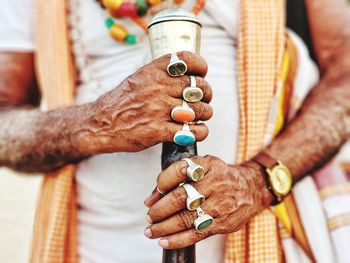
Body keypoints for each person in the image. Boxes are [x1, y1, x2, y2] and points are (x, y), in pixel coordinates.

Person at [0, 0, 349, 262]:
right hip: (96, 247)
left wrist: (256, 183)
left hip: (265, 237)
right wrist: (96, 123)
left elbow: (345, 74)